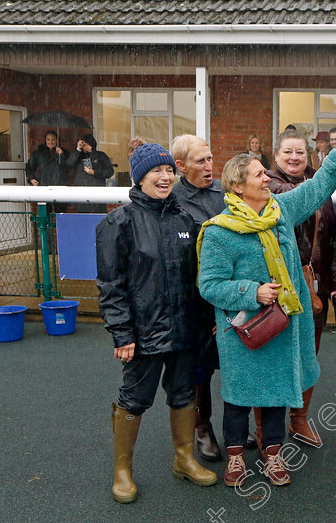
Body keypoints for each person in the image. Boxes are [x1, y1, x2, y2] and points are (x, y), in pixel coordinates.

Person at [197, 115, 336, 488]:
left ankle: (274, 455)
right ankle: (235, 459)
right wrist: (253, 292)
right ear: (238, 185)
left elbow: (315, 191)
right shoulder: (219, 231)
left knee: (277, 394)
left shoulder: (279, 212)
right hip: (242, 331)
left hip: (281, 327)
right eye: (259, 175)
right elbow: (210, 285)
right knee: (238, 397)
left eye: (266, 174)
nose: (267, 178)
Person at [96, 143, 218, 504]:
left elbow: (198, 278)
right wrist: (122, 333)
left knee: (183, 394)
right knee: (134, 399)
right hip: (142, 336)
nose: (165, 177)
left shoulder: (185, 220)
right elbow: (111, 286)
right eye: (157, 172)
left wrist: (205, 321)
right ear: (140, 177)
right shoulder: (118, 223)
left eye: (169, 171)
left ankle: (184, 459)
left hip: (185, 332)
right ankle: (122, 472)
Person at [171, 134, 256, 462]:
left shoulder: (225, 192)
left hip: (230, 296)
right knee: (199, 372)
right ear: (181, 166)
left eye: (210, 158)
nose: (210, 166)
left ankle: (237, 426)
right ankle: (202, 427)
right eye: (201, 161)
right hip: (194, 302)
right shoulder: (173, 200)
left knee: (238, 363)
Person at [266, 128, 336, 447]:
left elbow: (334, 242)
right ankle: (266, 431)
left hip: (317, 288)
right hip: (280, 289)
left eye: (300, 151)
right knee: (276, 357)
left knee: (308, 357)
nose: (294, 157)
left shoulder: (320, 188)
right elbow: (298, 195)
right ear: (276, 156)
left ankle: (299, 420)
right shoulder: (270, 186)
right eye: (288, 152)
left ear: (309, 154)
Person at [67, 133, 114, 213]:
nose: (87, 147)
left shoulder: (101, 155)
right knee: (83, 218)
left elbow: (109, 172)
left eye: (88, 145)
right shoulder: (79, 156)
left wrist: (95, 172)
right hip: (81, 193)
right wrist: (78, 149)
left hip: (97, 192)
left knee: (97, 217)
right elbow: (69, 164)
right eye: (84, 145)